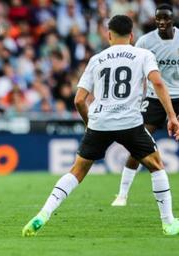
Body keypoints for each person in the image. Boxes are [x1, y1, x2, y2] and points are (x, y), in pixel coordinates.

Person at [22, 15, 179, 237]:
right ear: (132, 35)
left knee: (76, 172)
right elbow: (158, 82)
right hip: (129, 122)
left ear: (109, 35)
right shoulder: (144, 54)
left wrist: (90, 124)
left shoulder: (97, 58)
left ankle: (43, 214)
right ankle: (168, 222)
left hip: (99, 121)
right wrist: (172, 116)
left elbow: (78, 99)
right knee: (156, 165)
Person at [111, 4, 179, 207]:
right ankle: (122, 194)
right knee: (138, 144)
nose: (162, 22)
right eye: (158, 18)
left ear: (173, 19)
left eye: (166, 18)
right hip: (154, 97)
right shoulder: (145, 42)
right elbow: (134, 71)